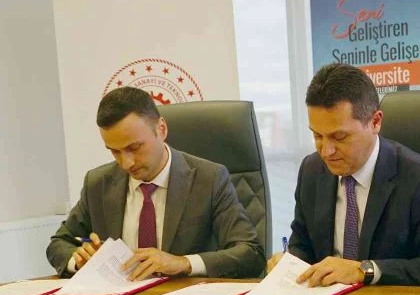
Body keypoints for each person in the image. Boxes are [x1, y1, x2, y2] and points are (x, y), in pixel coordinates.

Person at [267, 63, 420, 287]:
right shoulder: (312, 170)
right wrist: (290, 262)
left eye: (339, 137)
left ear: (375, 122)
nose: (326, 151)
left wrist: (365, 270)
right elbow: (304, 245)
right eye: (318, 136)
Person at [46, 87, 265, 279]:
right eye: (115, 151)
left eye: (134, 148)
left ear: (161, 129)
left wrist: (183, 263)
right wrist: (79, 260)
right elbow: (59, 243)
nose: (126, 163)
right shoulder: (98, 183)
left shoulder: (209, 179)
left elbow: (250, 253)